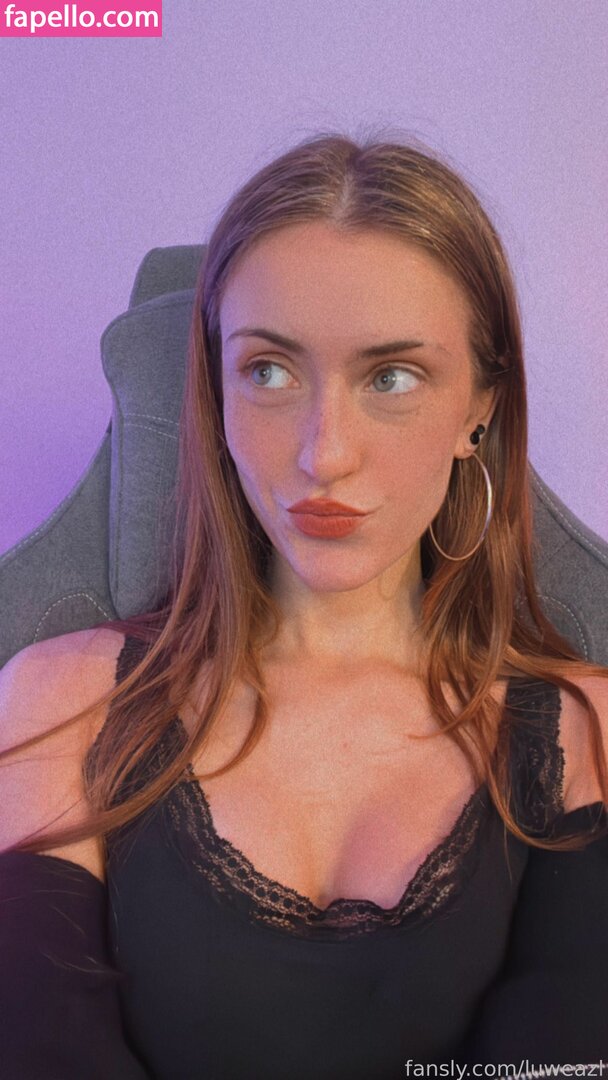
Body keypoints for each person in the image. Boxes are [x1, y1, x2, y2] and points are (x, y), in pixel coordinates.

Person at [1, 129, 608, 1079]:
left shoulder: (583, 730)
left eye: (392, 377)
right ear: (216, 392)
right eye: (270, 372)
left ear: (479, 409)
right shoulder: (61, 703)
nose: (324, 453)